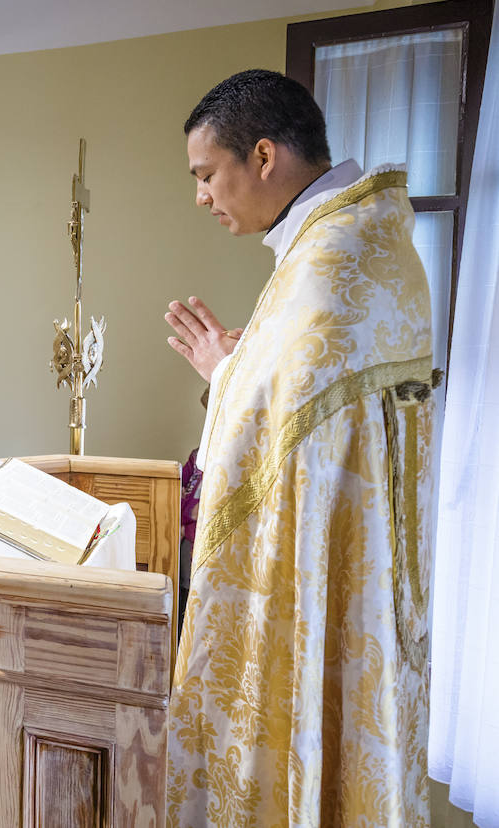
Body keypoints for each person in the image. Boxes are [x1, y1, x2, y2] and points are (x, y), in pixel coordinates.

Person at [162, 69, 435, 827]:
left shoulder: (330, 262)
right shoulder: (354, 236)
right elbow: (299, 400)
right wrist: (242, 370)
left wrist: (226, 375)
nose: (202, 197)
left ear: (262, 156)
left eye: (206, 174)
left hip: (325, 579)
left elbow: (273, 430)